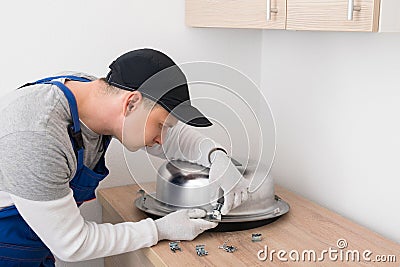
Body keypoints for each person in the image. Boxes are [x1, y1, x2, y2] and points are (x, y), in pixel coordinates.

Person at [0, 48, 249, 266]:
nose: (162, 138)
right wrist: (159, 229)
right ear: (131, 103)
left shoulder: (94, 94)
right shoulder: (36, 136)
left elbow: (173, 140)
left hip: (32, 249)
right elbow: (71, 244)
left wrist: (216, 155)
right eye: (161, 125)